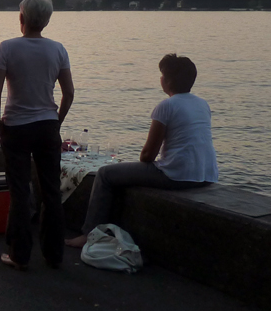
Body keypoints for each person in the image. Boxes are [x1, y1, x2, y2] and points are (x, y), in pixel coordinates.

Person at [66, 54, 217, 248]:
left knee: (105, 174)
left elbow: (147, 156)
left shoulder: (166, 106)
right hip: (206, 174)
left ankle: (89, 234)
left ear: (167, 81)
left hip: (177, 175)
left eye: (162, 75)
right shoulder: (202, 104)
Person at [0, 0, 74, 271]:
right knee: (51, 191)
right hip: (47, 126)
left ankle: (19, 255)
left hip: (16, 126)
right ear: (47, 21)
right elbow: (69, 92)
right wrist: (57, 121)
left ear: (21, 17)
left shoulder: (8, 47)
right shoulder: (58, 49)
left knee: (20, 191)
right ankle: (54, 255)